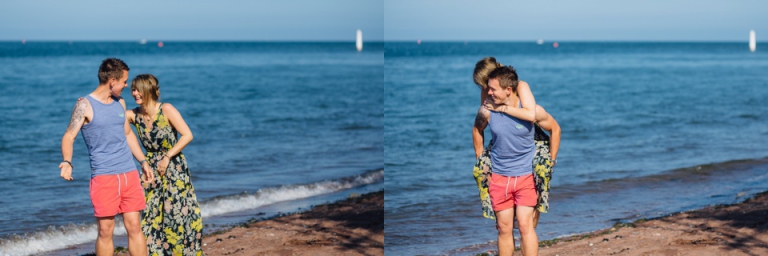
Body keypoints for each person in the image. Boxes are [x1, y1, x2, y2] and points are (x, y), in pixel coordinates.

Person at [59, 58, 154, 256]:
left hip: (129, 174)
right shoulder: (85, 105)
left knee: (135, 227)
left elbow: (127, 134)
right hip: (104, 177)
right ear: (112, 81)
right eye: (124, 81)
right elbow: (69, 136)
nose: (127, 86)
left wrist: (143, 162)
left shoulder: (120, 102)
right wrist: (67, 161)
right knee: (105, 231)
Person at [473, 57, 561, 228]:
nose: (485, 90)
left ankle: (531, 222)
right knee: (479, 172)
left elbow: (531, 115)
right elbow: (486, 121)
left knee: (539, 175)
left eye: (485, 84)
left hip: (531, 133)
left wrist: (552, 159)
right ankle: (499, 217)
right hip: (506, 137)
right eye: (483, 86)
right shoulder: (486, 89)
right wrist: (481, 158)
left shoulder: (520, 85)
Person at [126, 74, 204, 255]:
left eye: (138, 89)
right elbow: (115, 112)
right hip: (150, 170)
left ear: (148, 90)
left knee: (176, 214)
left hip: (174, 167)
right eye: (132, 89)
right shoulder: (133, 115)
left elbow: (187, 135)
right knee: (150, 216)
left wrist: (167, 156)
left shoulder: (166, 109)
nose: (135, 93)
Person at [473, 66, 538, 256]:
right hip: (500, 178)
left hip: (526, 176)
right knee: (503, 228)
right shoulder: (487, 109)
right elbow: (477, 129)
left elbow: (540, 120)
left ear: (508, 90)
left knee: (526, 227)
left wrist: (550, 159)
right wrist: (480, 159)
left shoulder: (525, 106)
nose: (488, 92)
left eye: (492, 89)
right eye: (487, 88)